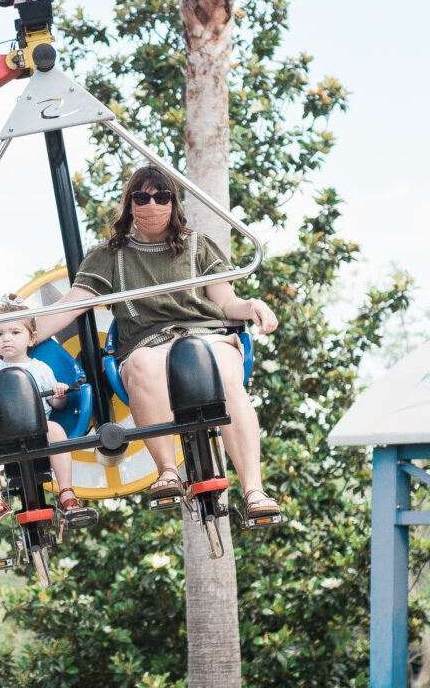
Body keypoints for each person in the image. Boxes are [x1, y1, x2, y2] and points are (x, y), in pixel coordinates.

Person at [47, 162, 280, 524]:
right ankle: (168, 471)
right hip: (148, 342)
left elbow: (226, 300)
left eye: (160, 197)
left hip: (204, 334)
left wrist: (252, 306)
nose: (151, 204)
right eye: (142, 197)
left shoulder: (197, 246)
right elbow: (73, 304)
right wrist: (26, 331)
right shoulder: (111, 256)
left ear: (173, 203)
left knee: (222, 375)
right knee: (141, 364)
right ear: (129, 205)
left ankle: (254, 490)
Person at [0, 301, 88, 523]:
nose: (6, 338)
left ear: (31, 338)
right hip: (2, 435)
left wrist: (59, 395)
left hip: (40, 428)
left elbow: (57, 406)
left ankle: (66, 492)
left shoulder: (41, 369)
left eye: (15, 332)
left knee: (57, 431)